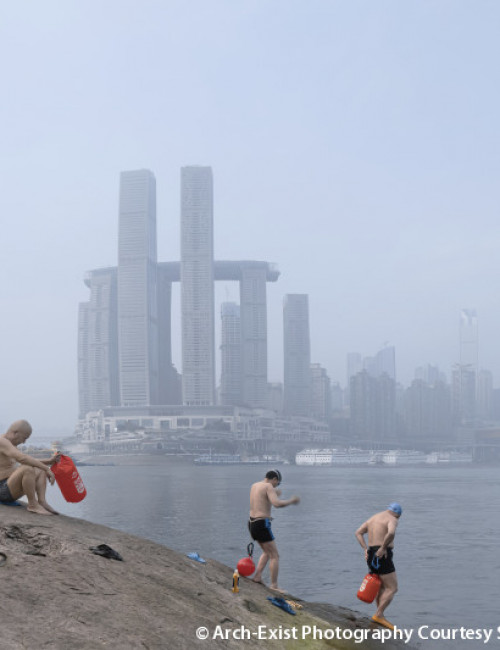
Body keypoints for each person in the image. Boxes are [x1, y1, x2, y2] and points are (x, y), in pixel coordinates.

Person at [248, 469, 300, 593]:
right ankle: (274, 586)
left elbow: (261, 500)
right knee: (275, 556)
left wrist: (275, 493)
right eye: (278, 483)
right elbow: (276, 504)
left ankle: (257, 576)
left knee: (267, 552)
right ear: (274, 479)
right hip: (261, 524)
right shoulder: (268, 486)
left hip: (251, 523)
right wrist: (291, 501)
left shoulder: (255, 485)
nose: (276, 485)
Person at [354, 502, 403, 630]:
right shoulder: (392, 519)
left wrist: (365, 549)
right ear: (398, 514)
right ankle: (379, 615)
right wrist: (383, 548)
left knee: (381, 586)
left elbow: (358, 532)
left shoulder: (373, 518)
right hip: (382, 555)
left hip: (371, 554)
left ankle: (379, 614)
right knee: (392, 588)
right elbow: (391, 533)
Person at [0, 420, 60, 515]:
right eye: (24, 438)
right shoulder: (2, 441)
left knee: (39, 469)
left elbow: (25, 460)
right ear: (15, 433)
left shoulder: (11, 445)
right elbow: (22, 458)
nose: (24, 442)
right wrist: (47, 468)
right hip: (2, 490)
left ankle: (42, 502)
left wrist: (49, 461)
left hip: (9, 486)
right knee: (27, 469)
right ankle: (32, 504)